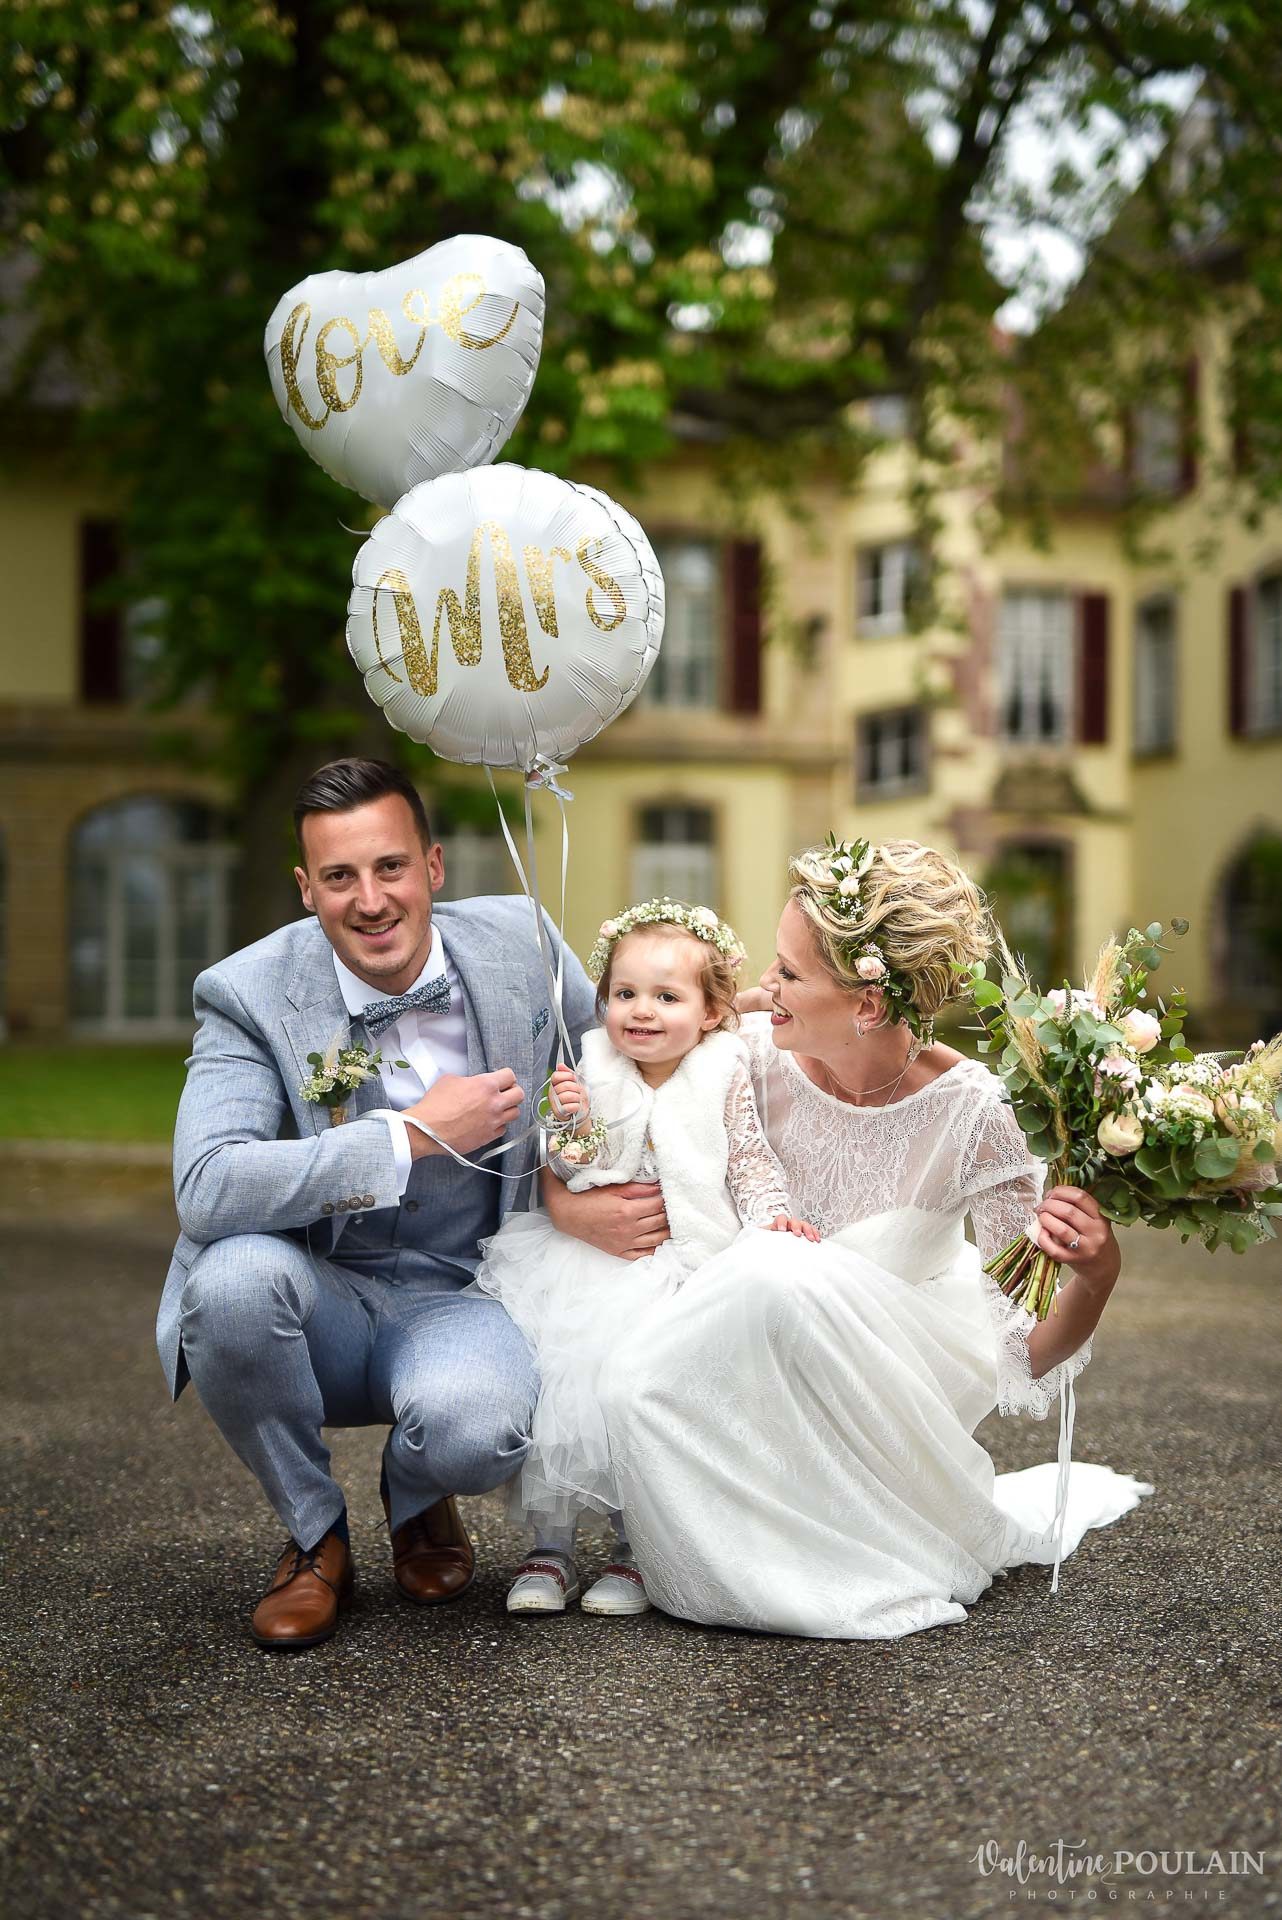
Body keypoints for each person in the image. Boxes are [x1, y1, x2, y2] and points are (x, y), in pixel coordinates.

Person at [544, 837, 1153, 1640]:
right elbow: (615, 1127)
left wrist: (1098, 1279)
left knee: (773, 1264)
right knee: (685, 1337)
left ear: (867, 1003)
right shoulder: (741, 1055)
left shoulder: (978, 1115)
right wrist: (562, 1203)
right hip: (743, 1380)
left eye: (789, 973)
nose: (764, 987)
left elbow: (1022, 1349)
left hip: (888, 1386)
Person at [158, 755, 612, 1650]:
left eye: (390, 867)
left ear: (433, 868)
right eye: (339, 877)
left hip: (464, 1291)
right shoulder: (246, 993)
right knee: (232, 1284)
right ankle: (315, 1537)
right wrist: (409, 1134)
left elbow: (623, 1065)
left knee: (477, 1430)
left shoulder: (522, 938)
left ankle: (416, 1491)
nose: (370, 900)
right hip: (316, 1290)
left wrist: (725, 1024)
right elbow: (207, 1186)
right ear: (306, 888)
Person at [471, 902, 817, 1620]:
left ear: (713, 1011)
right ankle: (552, 1547)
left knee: (650, 1407)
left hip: (687, 1266)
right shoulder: (592, 1063)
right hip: (592, 1268)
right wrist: (569, 1123)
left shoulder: (725, 1069)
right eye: (625, 995)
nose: (641, 1013)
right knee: (568, 1399)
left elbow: (748, 1161)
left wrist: (770, 1217)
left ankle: (637, 1550)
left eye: (667, 997)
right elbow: (577, 1168)